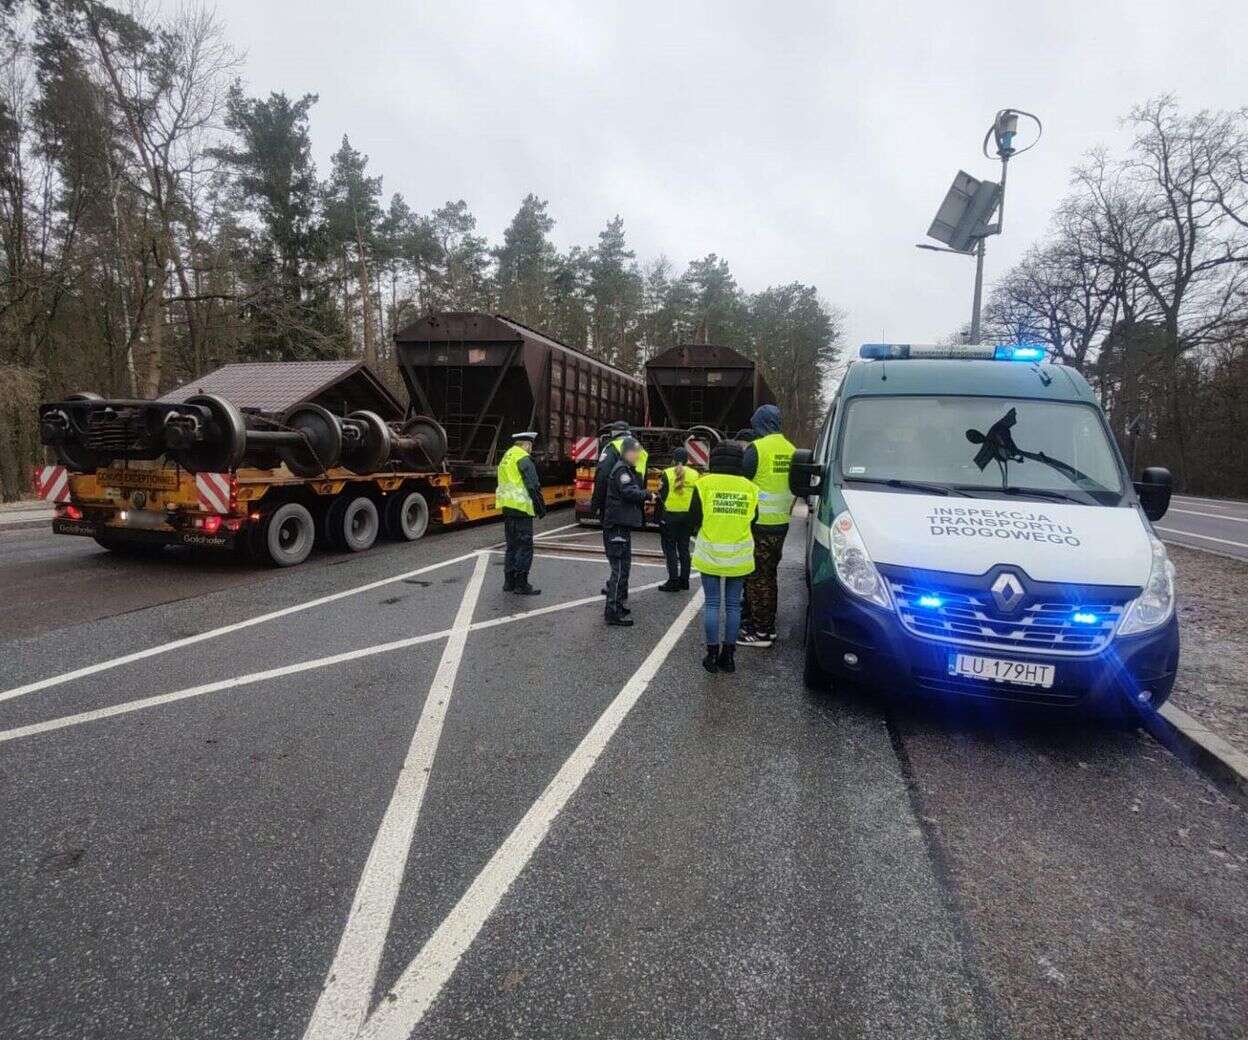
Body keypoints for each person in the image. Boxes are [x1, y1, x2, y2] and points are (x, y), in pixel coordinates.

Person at [689, 441, 758, 673]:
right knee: (733, 607)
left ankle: (711, 655)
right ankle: (729, 657)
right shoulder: (750, 488)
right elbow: (754, 519)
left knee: (712, 604)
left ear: (713, 460)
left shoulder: (703, 484)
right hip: (739, 556)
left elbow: (694, 517)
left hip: (710, 553)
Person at [738, 405, 797, 647]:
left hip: (759, 524)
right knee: (768, 575)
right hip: (780, 523)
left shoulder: (757, 449)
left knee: (756, 578)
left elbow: (743, 482)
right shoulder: (792, 450)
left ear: (761, 424)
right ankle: (764, 625)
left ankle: (759, 632)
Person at [602, 437, 655, 626]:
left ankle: (617, 605)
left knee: (624, 567)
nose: (639, 455)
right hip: (616, 526)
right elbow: (628, 492)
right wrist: (648, 494)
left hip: (621, 525)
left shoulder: (626, 469)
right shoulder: (621, 470)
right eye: (637, 452)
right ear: (628, 452)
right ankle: (612, 611)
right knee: (619, 569)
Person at [495, 431, 545, 595]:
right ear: (527, 444)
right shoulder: (523, 458)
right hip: (521, 508)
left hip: (507, 507)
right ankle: (521, 584)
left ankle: (508, 582)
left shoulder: (507, 456)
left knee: (511, 546)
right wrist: (540, 508)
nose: (531, 449)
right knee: (524, 547)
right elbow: (533, 485)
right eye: (531, 445)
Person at [656, 446, 698, 591]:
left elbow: (661, 496)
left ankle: (673, 581)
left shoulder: (667, 473)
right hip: (687, 517)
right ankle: (684, 581)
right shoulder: (695, 474)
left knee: (670, 549)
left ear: (673, 459)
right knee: (684, 549)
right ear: (687, 460)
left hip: (670, 516)